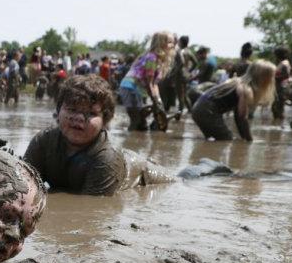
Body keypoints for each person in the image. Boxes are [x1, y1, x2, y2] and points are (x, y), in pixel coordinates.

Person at [24, 75, 228, 196]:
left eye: (91, 114)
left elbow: (88, 205)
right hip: (127, 159)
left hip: (143, 173)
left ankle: (208, 166)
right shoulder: (42, 142)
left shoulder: (105, 159)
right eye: (71, 109)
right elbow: (25, 184)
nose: (78, 118)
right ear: (58, 111)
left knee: (184, 179)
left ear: (106, 120)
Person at [191, 60, 275, 142]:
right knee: (226, 140)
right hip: (207, 111)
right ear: (263, 77)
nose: (272, 80)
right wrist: (250, 140)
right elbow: (242, 116)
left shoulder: (236, 81)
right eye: (271, 76)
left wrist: (244, 137)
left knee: (212, 140)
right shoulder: (246, 89)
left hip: (198, 108)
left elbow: (238, 116)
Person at [118, 31, 176, 131]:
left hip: (136, 88)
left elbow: (154, 84)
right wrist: (154, 100)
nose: (173, 45)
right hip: (130, 87)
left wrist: (158, 101)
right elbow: (149, 82)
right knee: (136, 120)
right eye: (170, 42)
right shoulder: (152, 58)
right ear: (161, 43)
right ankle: (129, 142)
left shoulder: (159, 60)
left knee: (142, 124)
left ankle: (135, 141)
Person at [271, 45, 292, 120]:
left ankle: (281, 125)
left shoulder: (284, 63)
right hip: (280, 87)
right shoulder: (282, 63)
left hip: (282, 87)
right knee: (275, 107)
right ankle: (277, 124)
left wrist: (274, 77)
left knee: (278, 108)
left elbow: (286, 75)